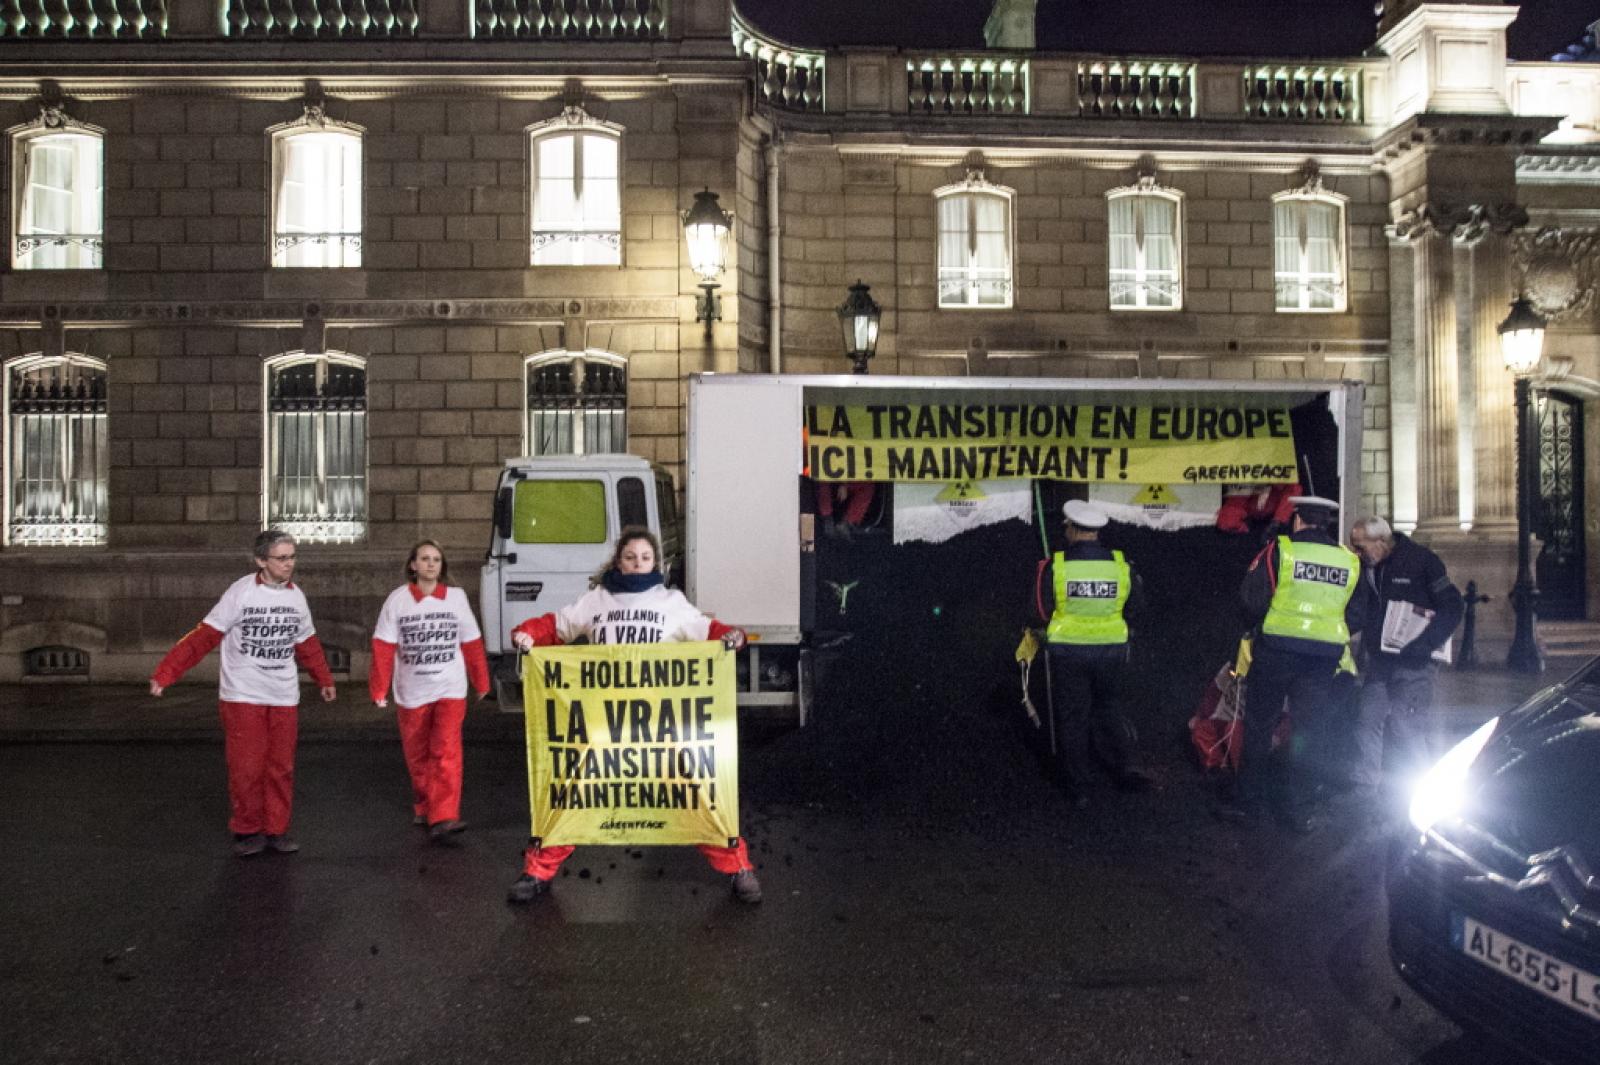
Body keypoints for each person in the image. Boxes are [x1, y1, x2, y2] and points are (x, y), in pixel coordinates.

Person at [505, 527, 763, 905]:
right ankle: (538, 871)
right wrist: (526, 634)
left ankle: (738, 867)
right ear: (618, 561)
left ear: (656, 562)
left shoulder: (671, 602)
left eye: (645, 557)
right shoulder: (597, 600)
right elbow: (554, 627)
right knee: (576, 791)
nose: (638, 563)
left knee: (695, 789)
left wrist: (733, 637)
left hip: (659, 725)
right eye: (631, 557)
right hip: (604, 723)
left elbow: (708, 631)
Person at [149, 529, 337, 857]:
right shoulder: (240, 593)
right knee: (247, 767)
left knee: (281, 766)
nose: (288, 564)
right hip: (243, 693)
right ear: (261, 560)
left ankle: (276, 829)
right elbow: (203, 637)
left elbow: (307, 643)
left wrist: (324, 679)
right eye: (281, 558)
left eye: (291, 557)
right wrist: (167, 672)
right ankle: (248, 829)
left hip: (282, 694)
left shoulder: (296, 598)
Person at [1221, 496, 1370, 833]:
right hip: (1322, 659)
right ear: (1326, 523)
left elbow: (1251, 599)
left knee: (1260, 727)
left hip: (1277, 651)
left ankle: (1248, 806)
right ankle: (1296, 810)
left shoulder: (1280, 549)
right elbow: (1360, 611)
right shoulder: (1349, 560)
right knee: (1307, 732)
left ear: (1298, 520)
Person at [369, 540, 491, 845]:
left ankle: (444, 815)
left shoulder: (456, 598)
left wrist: (482, 681)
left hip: (449, 687)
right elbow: (384, 647)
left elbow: (472, 643)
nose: (431, 564)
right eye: (424, 558)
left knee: (446, 750)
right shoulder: (397, 601)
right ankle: (425, 805)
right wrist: (379, 687)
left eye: (436, 559)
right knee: (417, 753)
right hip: (412, 690)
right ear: (413, 565)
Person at [1036, 499, 1156, 808]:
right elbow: (1137, 608)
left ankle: (1080, 788)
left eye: (1066, 526)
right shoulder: (1121, 565)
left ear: (1074, 529)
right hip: (1112, 651)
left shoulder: (1056, 565)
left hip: (1069, 653)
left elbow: (1039, 609)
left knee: (1074, 718)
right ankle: (1129, 762)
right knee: (1110, 706)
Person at [1347, 515, 1464, 813]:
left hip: (1415, 663)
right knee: (1367, 720)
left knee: (1407, 727)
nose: (1356, 554)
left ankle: (1425, 795)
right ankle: (1365, 789)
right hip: (1381, 661)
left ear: (1381, 542)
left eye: (1360, 547)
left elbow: (1452, 605)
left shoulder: (1422, 561)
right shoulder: (1368, 567)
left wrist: (1424, 645)